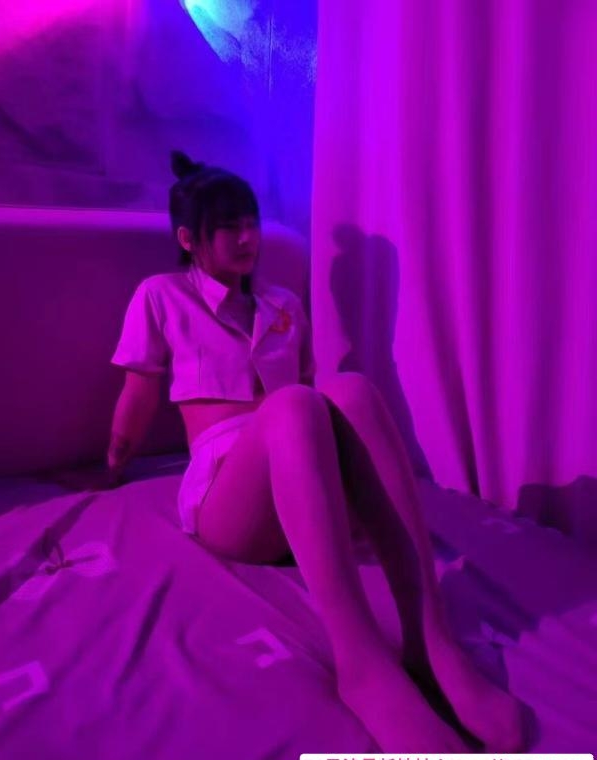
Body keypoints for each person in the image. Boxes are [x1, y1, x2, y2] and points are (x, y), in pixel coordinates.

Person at [107, 150, 528, 752]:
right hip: (227, 490)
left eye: (250, 222)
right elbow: (138, 392)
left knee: (349, 389)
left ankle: (429, 636)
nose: (247, 237)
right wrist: (112, 466)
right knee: (294, 404)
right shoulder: (162, 296)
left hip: (301, 478)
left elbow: (313, 400)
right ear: (188, 239)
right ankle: (362, 664)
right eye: (228, 227)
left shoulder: (283, 304)